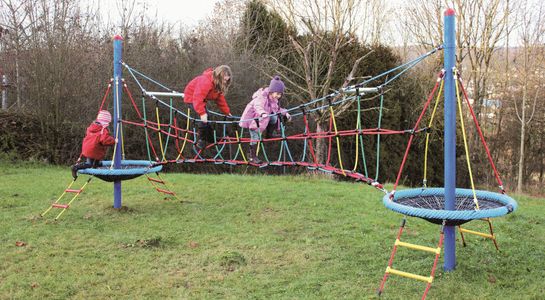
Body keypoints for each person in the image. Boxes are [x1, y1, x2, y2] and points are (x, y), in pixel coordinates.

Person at [239, 76, 291, 163]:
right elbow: (258, 106)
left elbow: (277, 109)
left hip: (262, 118)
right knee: (255, 136)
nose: (278, 96)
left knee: (274, 117)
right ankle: (251, 155)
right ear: (271, 91)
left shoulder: (273, 100)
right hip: (253, 118)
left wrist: (286, 113)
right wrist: (263, 113)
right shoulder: (262, 96)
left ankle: (269, 134)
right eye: (277, 94)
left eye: (280, 94)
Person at [183, 65, 233, 150]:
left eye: (227, 80)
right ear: (219, 76)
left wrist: (227, 112)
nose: (225, 82)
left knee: (208, 118)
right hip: (191, 97)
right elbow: (198, 97)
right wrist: (202, 113)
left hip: (200, 99)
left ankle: (210, 138)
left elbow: (220, 99)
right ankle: (201, 140)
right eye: (224, 79)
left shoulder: (217, 84)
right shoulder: (206, 81)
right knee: (204, 118)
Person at [71, 110, 116, 179]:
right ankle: (75, 167)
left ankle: (98, 164)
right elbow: (105, 140)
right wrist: (114, 140)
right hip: (94, 149)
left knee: (95, 160)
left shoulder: (91, 127)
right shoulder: (103, 130)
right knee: (89, 164)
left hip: (87, 147)